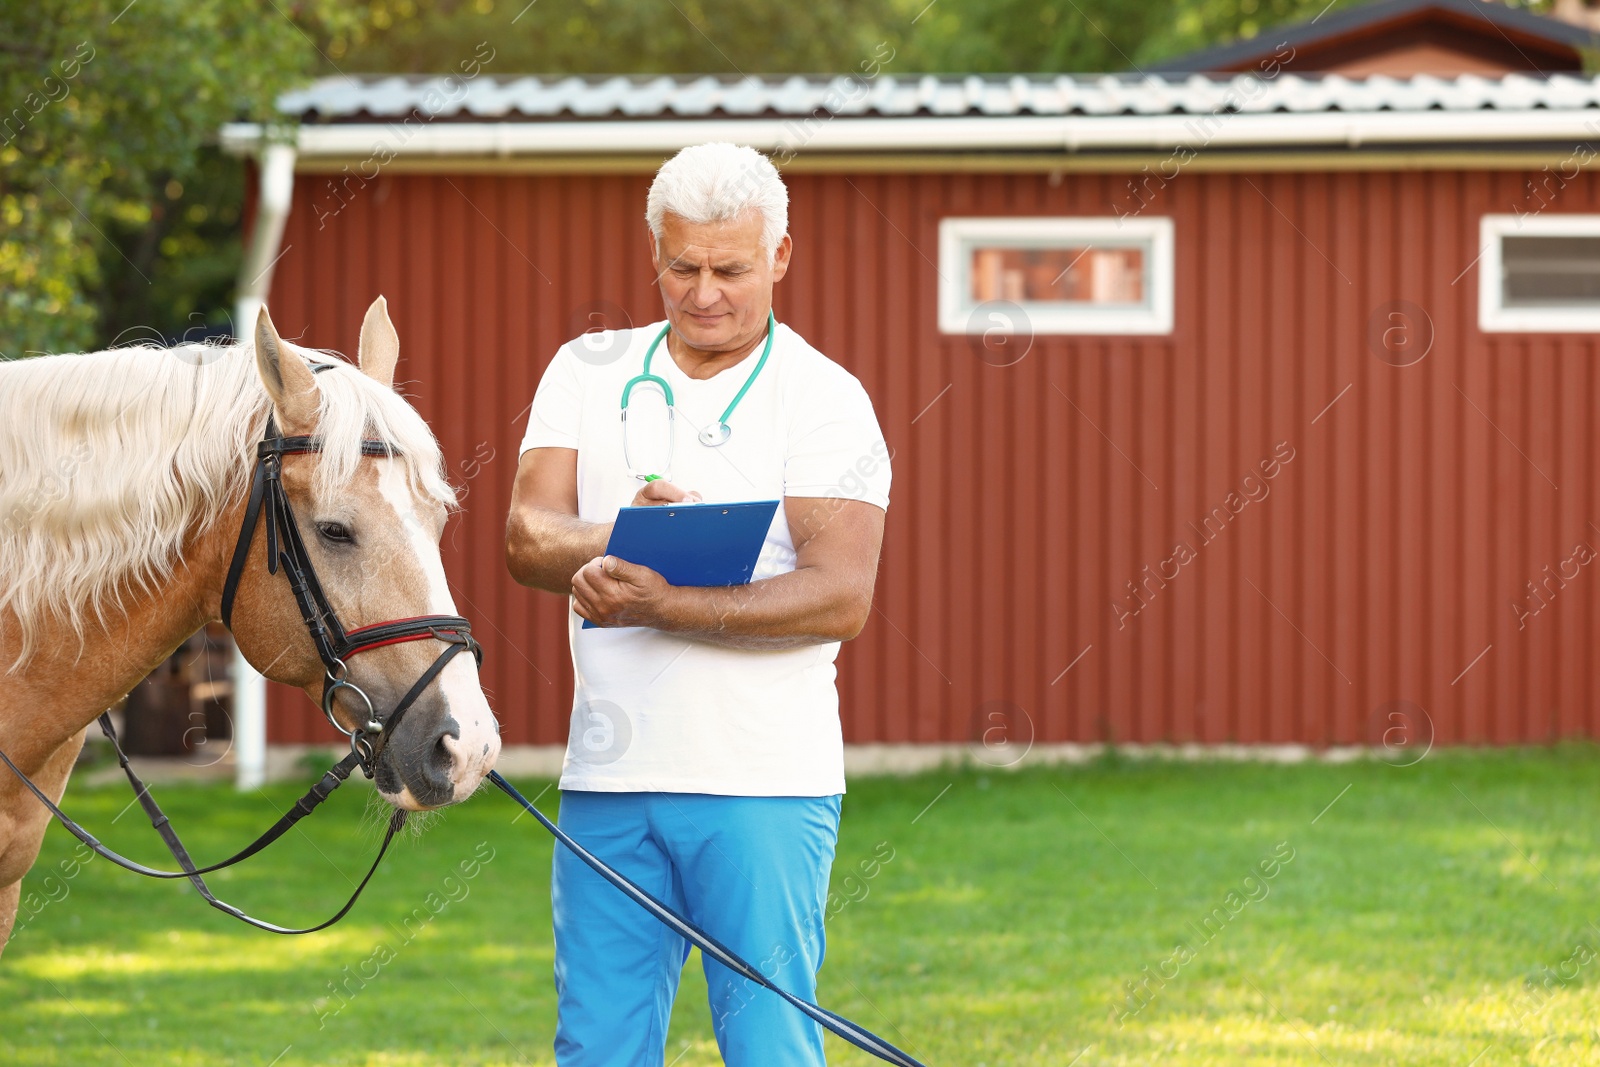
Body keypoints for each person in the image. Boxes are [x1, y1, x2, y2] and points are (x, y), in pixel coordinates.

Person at [504, 141, 892, 1066]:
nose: (704, 290)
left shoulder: (826, 399)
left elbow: (841, 594)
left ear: (782, 257)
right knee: (596, 1047)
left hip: (763, 784)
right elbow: (526, 534)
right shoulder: (587, 369)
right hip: (608, 781)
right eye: (683, 266)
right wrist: (614, 544)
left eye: (731, 267)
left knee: (768, 1046)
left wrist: (665, 603)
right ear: (654, 255)